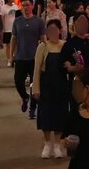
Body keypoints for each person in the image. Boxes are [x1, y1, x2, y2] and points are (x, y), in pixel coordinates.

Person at [33, 19, 77, 158]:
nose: (52, 32)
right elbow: (36, 69)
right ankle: (47, 144)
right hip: (46, 86)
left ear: (60, 30)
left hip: (62, 86)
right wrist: (36, 89)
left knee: (60, 116)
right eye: (49, 30)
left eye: (55, 29)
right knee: (46, 116)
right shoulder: (43, 46)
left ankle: (57, 145)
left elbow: (73, 64)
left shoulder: (65, 46)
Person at [12, 0, 44, 119]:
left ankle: (33, 109)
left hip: (34, 58)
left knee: (34, 85)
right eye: (23, 5)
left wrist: (44, 56)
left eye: (27, 5)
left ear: (32, 6)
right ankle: (25, 97)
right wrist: (11, 56)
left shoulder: (39, 21)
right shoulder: (17, 21)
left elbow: (43, 39)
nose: (25, 7)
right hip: (20, 57)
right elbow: (14, 38)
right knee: (18, 82)